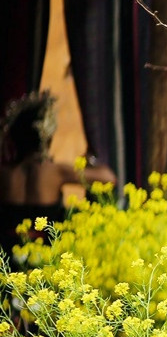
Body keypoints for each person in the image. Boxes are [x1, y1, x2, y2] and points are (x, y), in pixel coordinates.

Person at [0, 90, 115, 263]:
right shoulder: (54, 171)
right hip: (46, 265)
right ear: (45, 138)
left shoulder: (5, 174)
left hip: (6, 264)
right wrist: (90, 162)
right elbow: (108, 178)